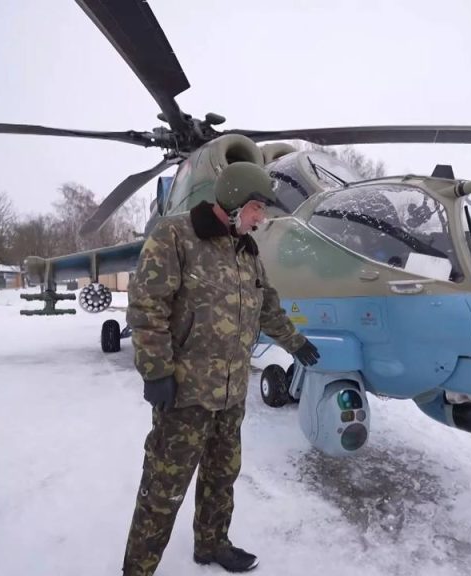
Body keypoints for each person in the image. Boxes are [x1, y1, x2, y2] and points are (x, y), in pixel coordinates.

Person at [122, 162, 320, 575]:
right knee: (163, 487)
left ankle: (211, 544)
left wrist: (295, 342)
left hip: (230, 394)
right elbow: (147, 306)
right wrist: (156, 371)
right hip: (185, 394)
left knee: (221, 475)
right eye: (255, 208)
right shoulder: (176, 235)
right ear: (231, 202)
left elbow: (265, 304)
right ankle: (137, 569)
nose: (260, 218)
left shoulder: (246, 250)